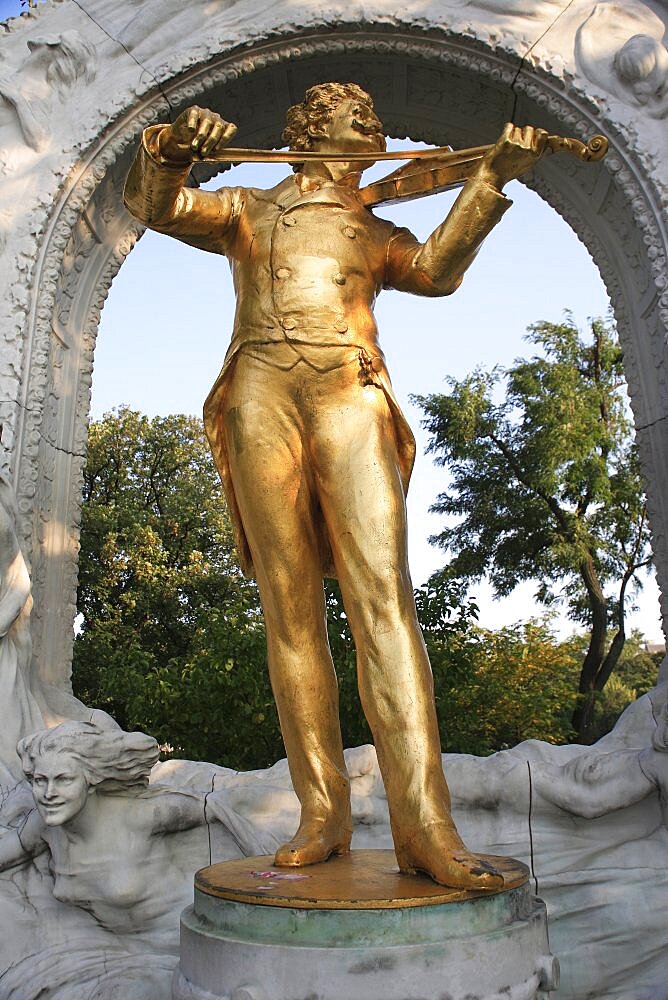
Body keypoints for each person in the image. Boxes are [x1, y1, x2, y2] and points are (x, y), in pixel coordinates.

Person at [124, 82, 547, 890]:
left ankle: (426, 826)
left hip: (351, 394)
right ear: (314, 127)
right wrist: (174, 144)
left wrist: (492, 180)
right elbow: (160, 206)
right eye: (365, 121)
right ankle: (322, 813)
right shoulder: (248, 205)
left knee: (383, 602)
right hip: (259, 396)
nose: (380, 133)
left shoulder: (374, 227)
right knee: (288, 612)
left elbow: (434, 273)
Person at [0, 722, 213, 934]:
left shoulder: (141, 815)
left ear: (91, 781)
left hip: (188, 938)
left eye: (64, 779)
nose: (49, 793)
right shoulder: (44, 826)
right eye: (40, 781)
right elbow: (8, 851)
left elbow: (220, 810)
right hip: (109, 947)